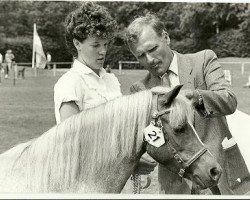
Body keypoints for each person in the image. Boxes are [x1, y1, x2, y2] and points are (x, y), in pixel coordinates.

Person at [125, 13, 250, 195]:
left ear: (166, 37)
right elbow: (141, 142)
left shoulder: (204, 60)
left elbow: (229, 100)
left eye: (152, 49)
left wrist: (196, 97)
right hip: (176, 188)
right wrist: (139, 160)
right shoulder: (140, 90)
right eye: (141, 55)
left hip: (220, 176)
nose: (149, 59)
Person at [53, 2, 156, 183]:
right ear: (77, 43)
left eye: (106, 44)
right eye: (95, 45)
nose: (103, 51)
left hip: (112, 181)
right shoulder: (69, 83)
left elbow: (121, 133)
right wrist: (130, 162)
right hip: (82, 183)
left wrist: (133, 160)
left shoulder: (110, 80)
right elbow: (73, 144)